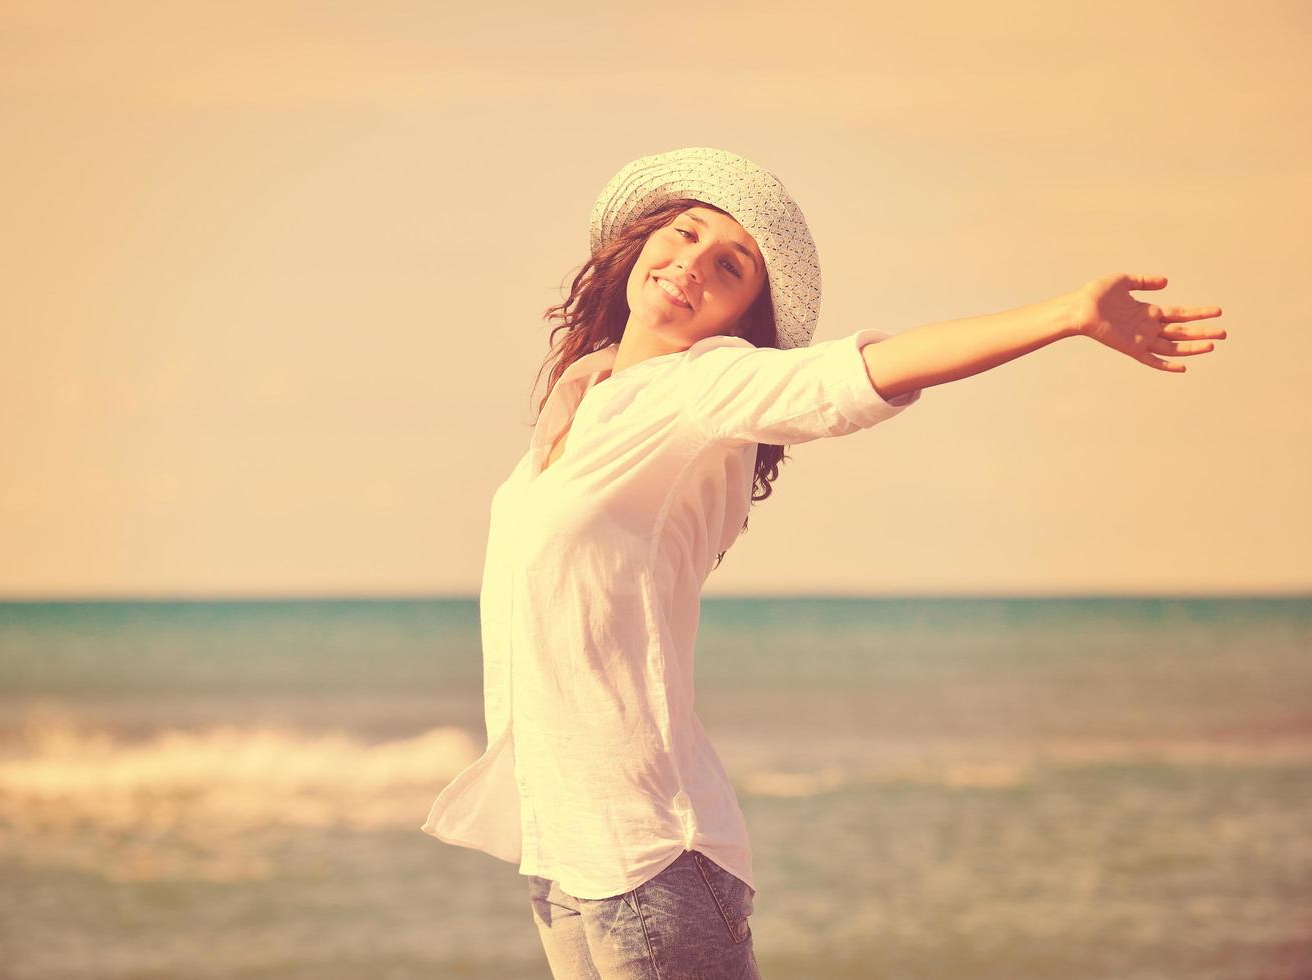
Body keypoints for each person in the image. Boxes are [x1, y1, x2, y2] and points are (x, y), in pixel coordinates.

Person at [420, 146, 1226, 979]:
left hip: (648, 857)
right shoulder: (581, 391)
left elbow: (867, 370)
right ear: (642, 243)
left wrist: (1063, 315)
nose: (689, 263)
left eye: (727, 265)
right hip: (562, 849)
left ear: (742, 316)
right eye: (685, 234)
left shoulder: (705, 386)